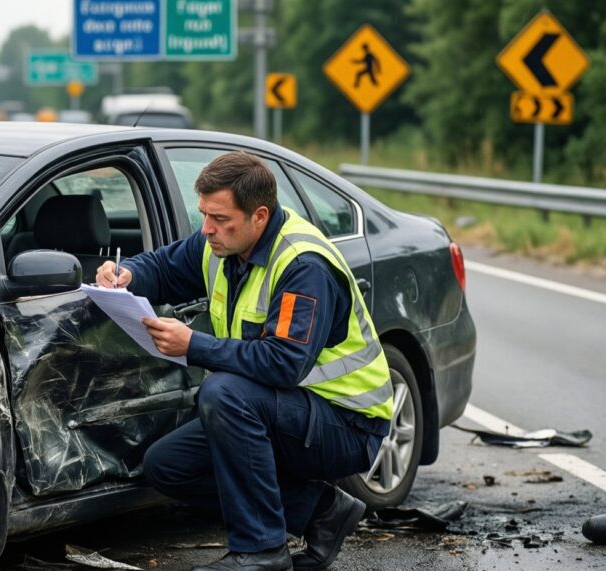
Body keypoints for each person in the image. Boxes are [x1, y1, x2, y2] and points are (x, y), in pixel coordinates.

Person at [95, 151, 393, 571]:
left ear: (259, 216)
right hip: (284, 411)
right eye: (204, 215)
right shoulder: (220, 244)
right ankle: (323, 513)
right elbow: (163, 267)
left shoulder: (303, 267)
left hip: (348, 425)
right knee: (168, 467)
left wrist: (192, 344)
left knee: (223, 392)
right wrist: (126, 274)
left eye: (219, 219)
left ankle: (261, 551)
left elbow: (285, 362)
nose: (207, 229)